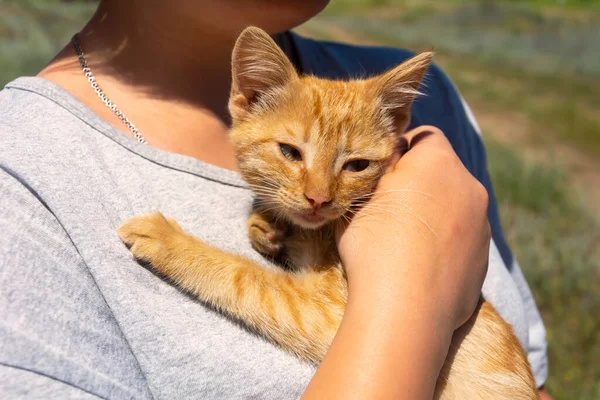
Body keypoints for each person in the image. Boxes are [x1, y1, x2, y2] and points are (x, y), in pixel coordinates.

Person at [0, 0, 550, 398]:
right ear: (250, 95)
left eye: (355, 166)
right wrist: (416, 291)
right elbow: (328, 315)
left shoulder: (437, 117)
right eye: (292, 154)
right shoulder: (24, 176)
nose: (319, 194)